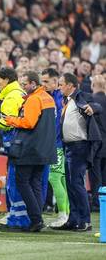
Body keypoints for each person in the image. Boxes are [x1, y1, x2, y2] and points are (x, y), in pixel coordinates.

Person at [4, 71, 57, 232]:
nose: (23, 86)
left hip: (30, 148)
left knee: (23, 182)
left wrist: (10, 119)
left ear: (33, 84)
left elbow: (29, 122)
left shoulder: (34, 98)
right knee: (35, 183)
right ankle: (37, 218)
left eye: (25, 84)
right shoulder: (48, 98)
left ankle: (36, 219)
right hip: (44, 149)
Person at [53, 73, 102, 232]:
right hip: (68, 147)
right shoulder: (67, 100)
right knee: (70, 184)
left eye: (61, 84)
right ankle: (73, 219)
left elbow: (98, 105)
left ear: (70, 85)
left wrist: (92, 108)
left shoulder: (82, 95)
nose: (59, 87)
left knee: (76, 183)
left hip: (79, 146)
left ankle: (85, 220)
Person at [0, 67, 28, 229]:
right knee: (17, 180)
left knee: (14, 181)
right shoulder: (18, 93)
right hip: (20, 143)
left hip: (13, 144)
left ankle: (17, 218)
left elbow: (7, 122)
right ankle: (18, 215)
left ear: (7, 79)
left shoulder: (11, 96)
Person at [40, 68, 70, 227]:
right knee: (61, 179)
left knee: (55, 178)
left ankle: (63, 215)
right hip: (54, 144)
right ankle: (66, 213)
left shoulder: (61, 97)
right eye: (42, 81)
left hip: (57, 144)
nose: (43, 84)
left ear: (55, 82)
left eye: (46, 81)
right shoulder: (50, 96)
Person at [91, 74, 106, 211]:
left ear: (93, 85)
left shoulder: (93, 100)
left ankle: (96, 201)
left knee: (96, 174)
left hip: (97, 143)